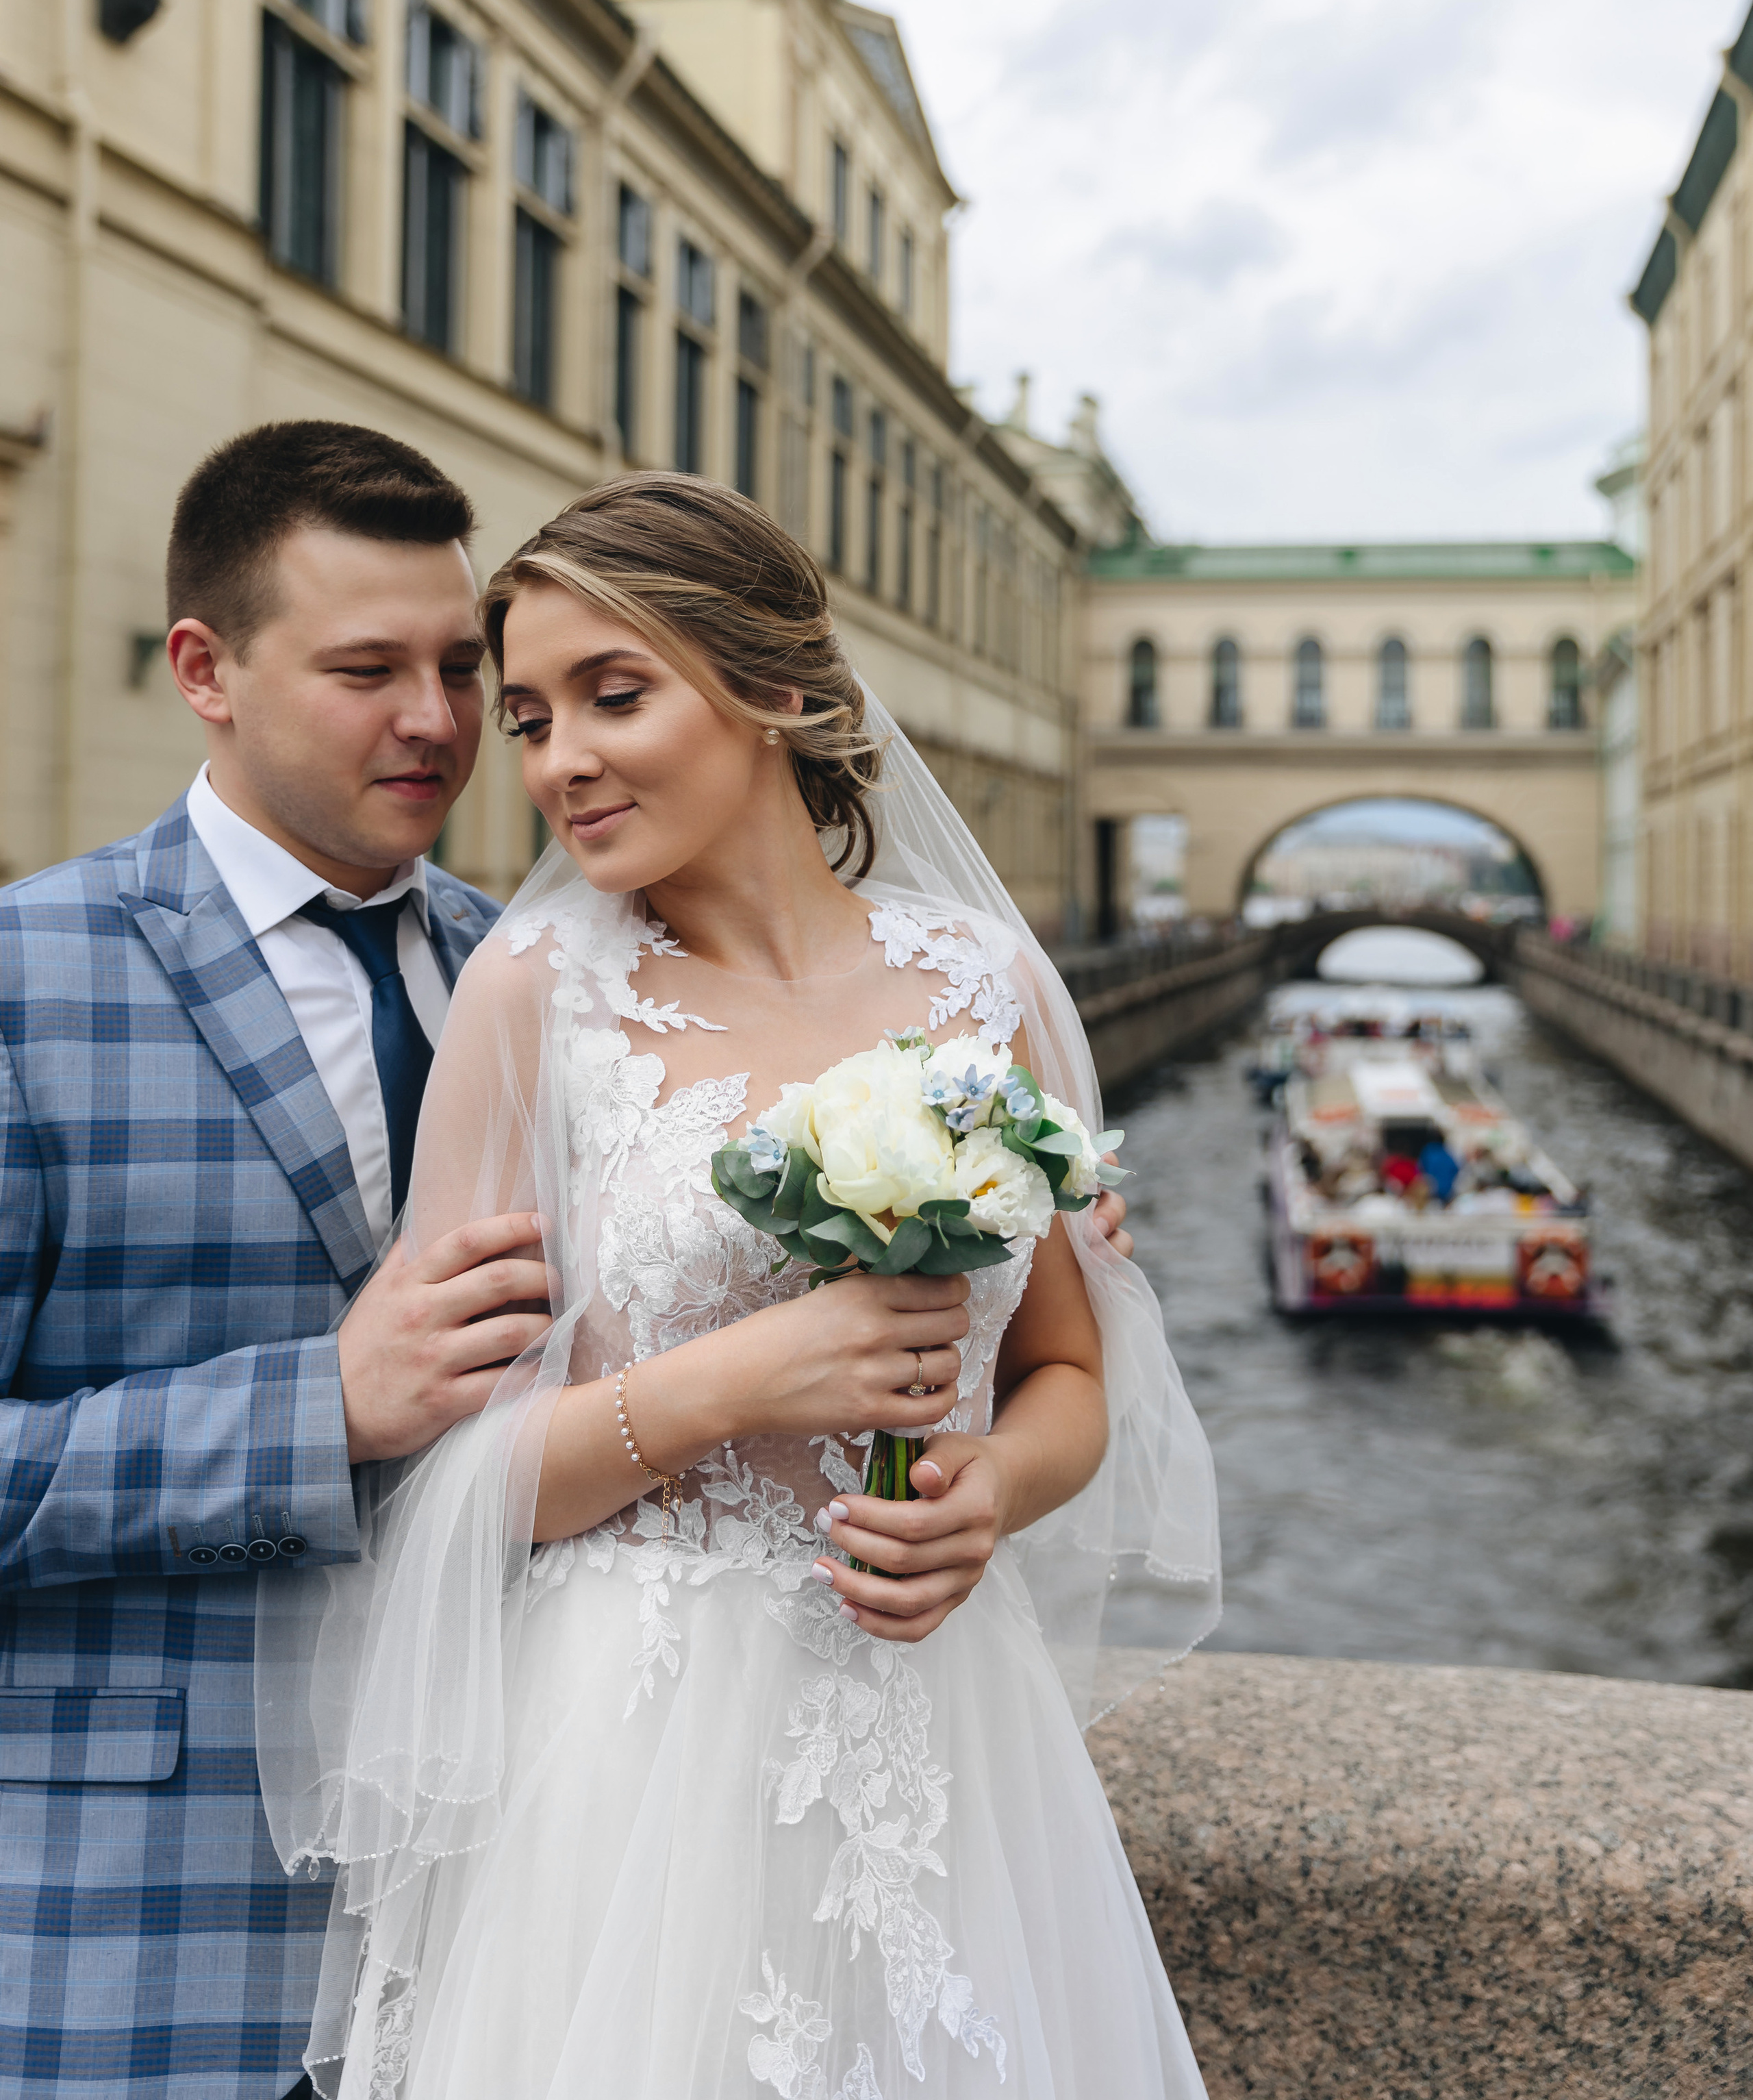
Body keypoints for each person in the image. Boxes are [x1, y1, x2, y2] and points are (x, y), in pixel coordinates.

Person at [266, 475, 1220, 2100]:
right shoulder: (531, 999)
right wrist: (733, 1383)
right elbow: (454, 1482)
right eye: (531, 715)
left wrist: (990, 1486)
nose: (559, 759)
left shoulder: (987, 983)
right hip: (634, 1761)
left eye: (613, 695)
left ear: (777, 688)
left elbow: (1070, 1366)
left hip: (945, 1737)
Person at [0, 423, 557, 2100]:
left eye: (462, 666)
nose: (438, 722)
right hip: (138, 1938)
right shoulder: (26, 982)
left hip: (520, 1916)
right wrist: (313, 1411)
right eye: (365, 669)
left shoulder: (542, 973)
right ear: (205, 671)